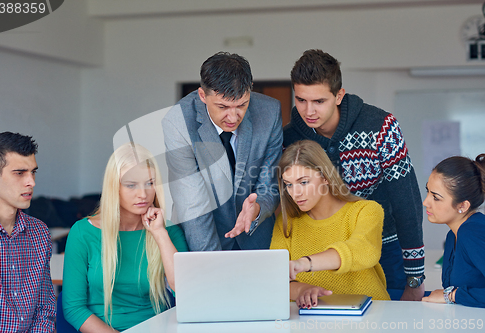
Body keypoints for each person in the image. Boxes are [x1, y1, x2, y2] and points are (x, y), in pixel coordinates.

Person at [283, 49, 425, 300]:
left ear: (339, 96)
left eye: (319, 101)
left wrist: (415, 277)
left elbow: (407, 201)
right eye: (301, 100)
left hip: (384, 247)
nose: (309, 111)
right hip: (318, 254)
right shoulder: (289, 137)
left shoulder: (380, 126)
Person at [162, 52, 283, 251]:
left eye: (242, 105)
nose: (233, 117)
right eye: (223, 106)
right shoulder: (178, 122)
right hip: (202, 238)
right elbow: (193, 205)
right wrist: (212, 264)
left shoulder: (269, 113)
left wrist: (258, 208)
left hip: (257, 239)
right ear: (203, 95)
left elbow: (269, 185)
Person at [62, 143, 189, 332]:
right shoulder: (82, 232)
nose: (143, 194)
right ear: (114, 187)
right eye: (131, 185)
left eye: (150, 183)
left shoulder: (168, 231)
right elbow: (73, 308)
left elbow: (185, 292)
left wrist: (159, 234)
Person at [270, 140, 390, 309]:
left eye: (303, 182)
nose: (295, 193)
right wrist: (302, 289)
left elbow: (363, 250)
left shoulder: (366, 210)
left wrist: (304, 264)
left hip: (372, 316)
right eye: (289, 185)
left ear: (325, 177)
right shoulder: (287, 221)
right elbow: (275, 278)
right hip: (312, 322)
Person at [0, 132, 56, 332]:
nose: (31, 182)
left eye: (33, 172)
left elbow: (45, 307)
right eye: (19, 173)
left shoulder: (39, 232)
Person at [422, 154, 485, 308]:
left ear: (462, 206)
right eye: (428, 191)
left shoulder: (472, 233)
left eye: (436, 197)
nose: (426, 202)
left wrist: (451, 296)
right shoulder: (453, 235)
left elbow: (451, 293)